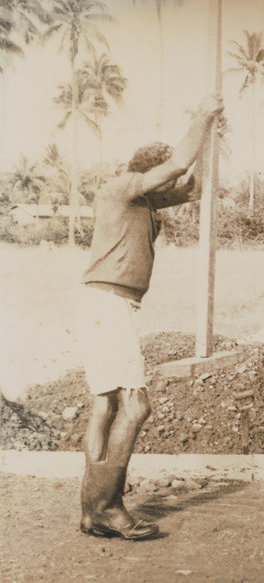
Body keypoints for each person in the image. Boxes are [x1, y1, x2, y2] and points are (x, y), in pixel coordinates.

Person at [75, 93, 224, 540]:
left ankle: (91, 510)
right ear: (146, 176)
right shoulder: (122, 188)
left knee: (106, 405)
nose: (169, 192)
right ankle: (108, 507)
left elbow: (193, 186)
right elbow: (179, 167)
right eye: (162, 182)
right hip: (108, 305)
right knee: (137, 406)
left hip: (103, 305)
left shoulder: (144, 202)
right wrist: (200, 114)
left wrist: (210, 137)